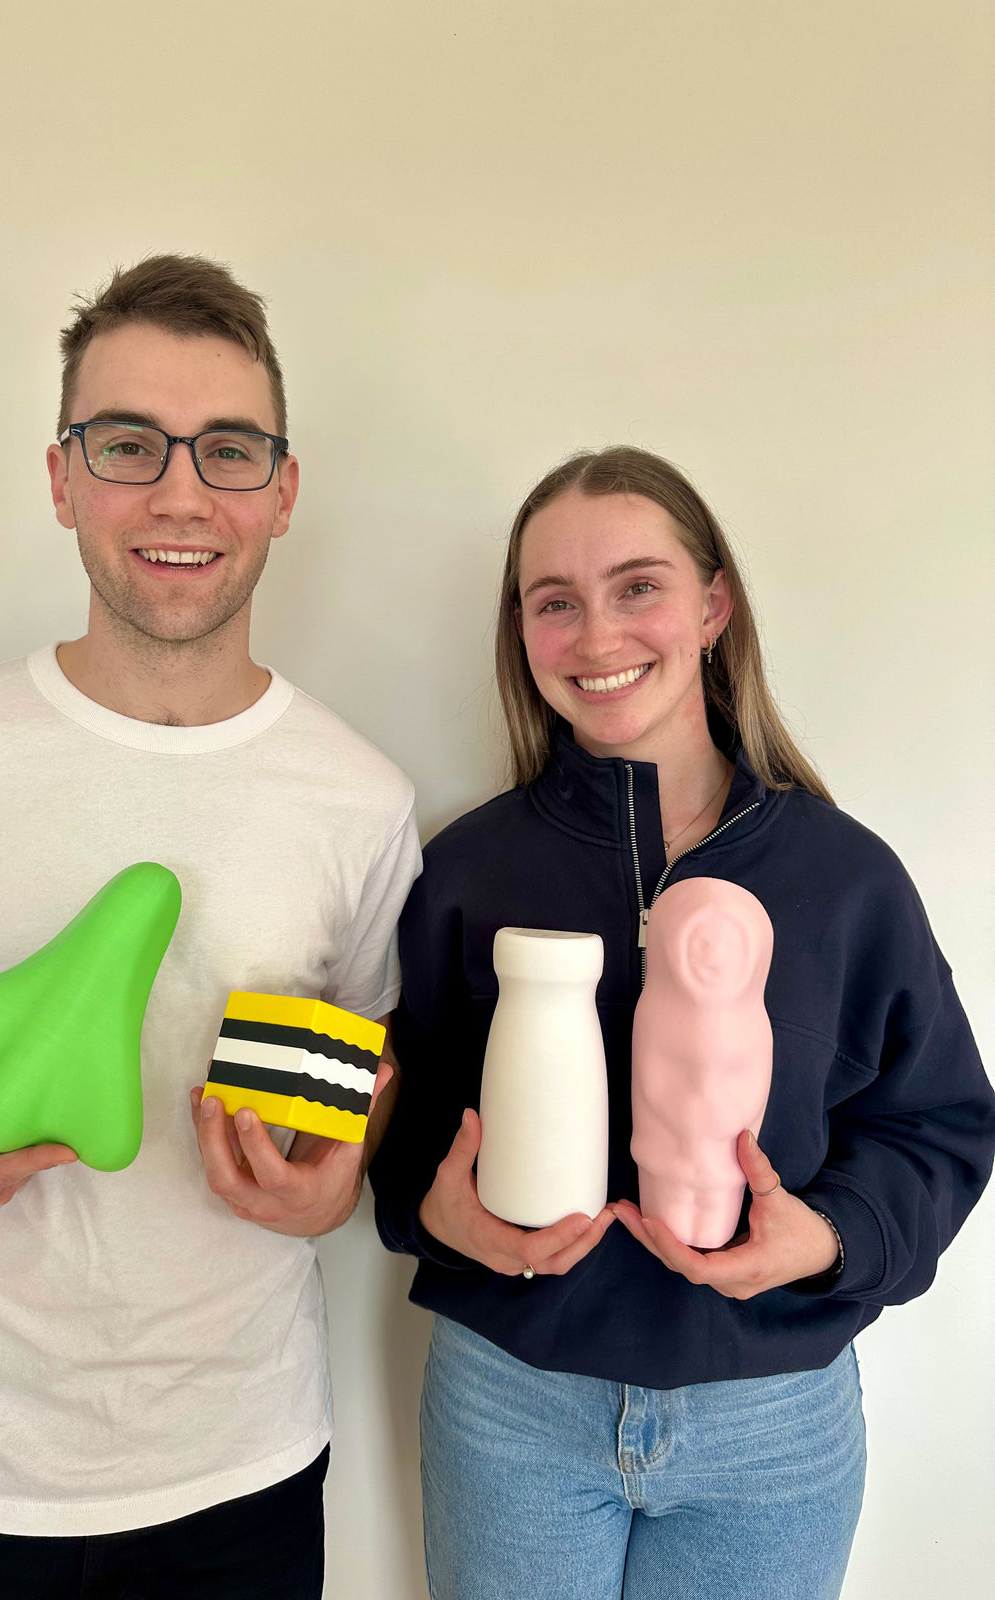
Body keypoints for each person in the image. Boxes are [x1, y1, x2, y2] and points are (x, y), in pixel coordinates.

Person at [0, 253, 420, 1600]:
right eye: (130, 444)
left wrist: (339, 1177)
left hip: (241, 1483)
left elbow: (368, 1043)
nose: (182, 494)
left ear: (284, 491)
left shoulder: (363, 798)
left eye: (230, 449)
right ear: (63, 477)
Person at [368, 446, 995, 1600]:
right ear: (521, 633)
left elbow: (939, 1124)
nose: (597, 634)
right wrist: (434, 1210)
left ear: (714, 606)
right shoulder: (465, 871)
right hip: (513, 1400)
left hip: (773, 1420)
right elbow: (401, 1120)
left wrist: (827, 1237)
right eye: (555, 602)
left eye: (638, 587)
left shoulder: (844, 879)